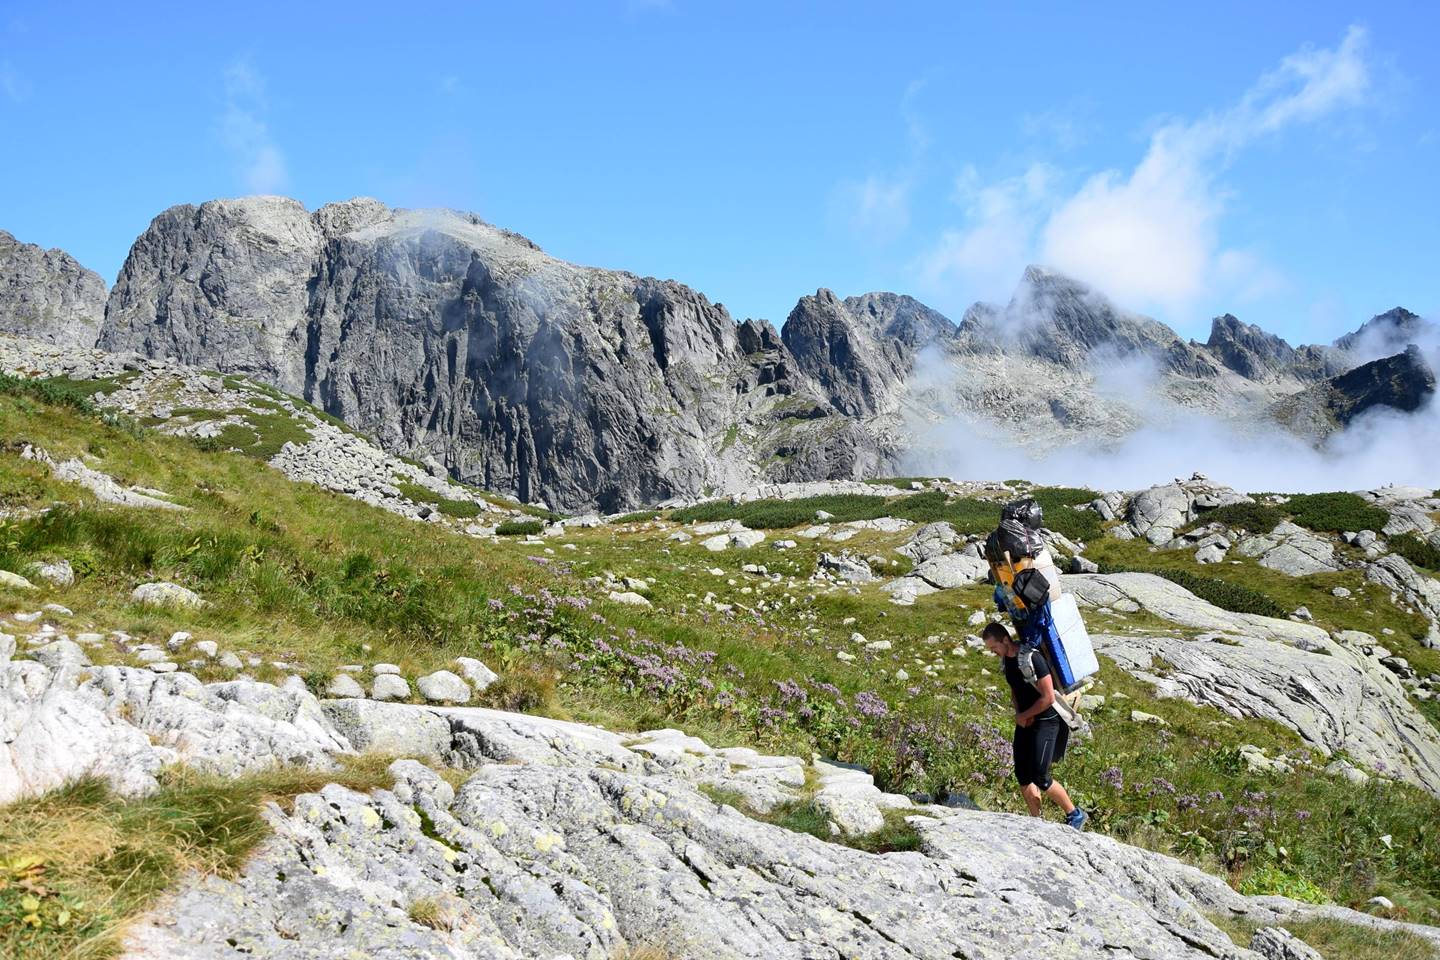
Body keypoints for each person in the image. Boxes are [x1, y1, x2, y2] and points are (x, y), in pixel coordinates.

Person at [982, 621, 1088, 830]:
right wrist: (1020, 713)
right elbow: (1015, 690)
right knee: (1023, 774)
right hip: (1026, 719)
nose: (993, 652)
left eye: (994, 647)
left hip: (1047, 721)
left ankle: (1075, 814)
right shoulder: (1007, 661)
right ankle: (1036, 823)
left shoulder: (1032, 658)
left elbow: (1048, 697)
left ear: (1005, 640)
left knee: (1040, 775)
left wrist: (1026, 715)